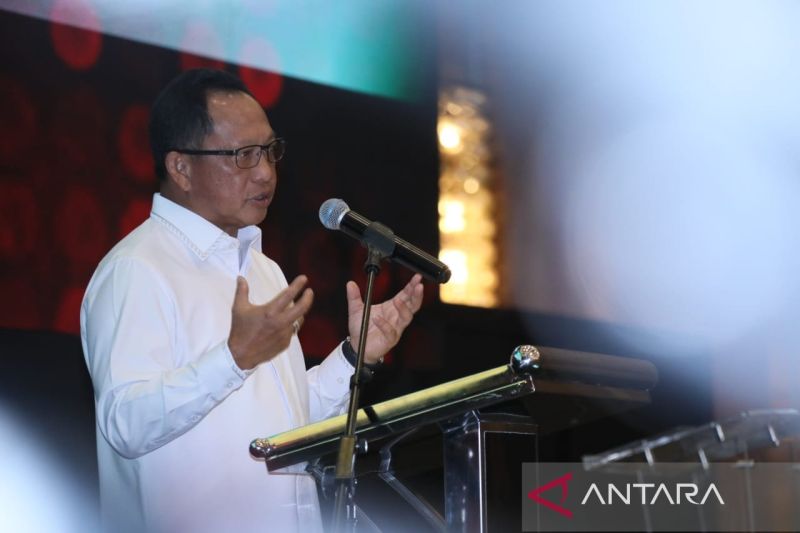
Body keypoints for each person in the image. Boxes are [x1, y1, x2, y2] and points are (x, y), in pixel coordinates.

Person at [80, 68, 424, 533]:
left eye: (269, 150)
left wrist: (353, 357)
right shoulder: (137, 269)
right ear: (181, 168)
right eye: (243, 155)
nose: (265, 172)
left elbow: (287, 421)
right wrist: (233, 358)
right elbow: (125, 423)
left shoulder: (262, 269)